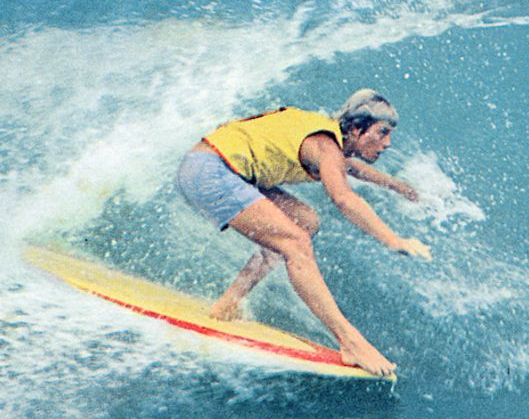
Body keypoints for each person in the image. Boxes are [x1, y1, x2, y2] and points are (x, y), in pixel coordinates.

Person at [176, 89, 430, 377]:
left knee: (305, 221)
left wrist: (400, 187)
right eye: (382, 133)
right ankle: (351, 342)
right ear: (357, 129)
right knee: (296, 243)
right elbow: (344, 198)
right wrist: (392, 240)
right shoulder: (326, 145)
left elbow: (349, 167)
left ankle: (229, 302)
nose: (387, 143)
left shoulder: (325, 139)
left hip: (218, 169)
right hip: (210, 171)